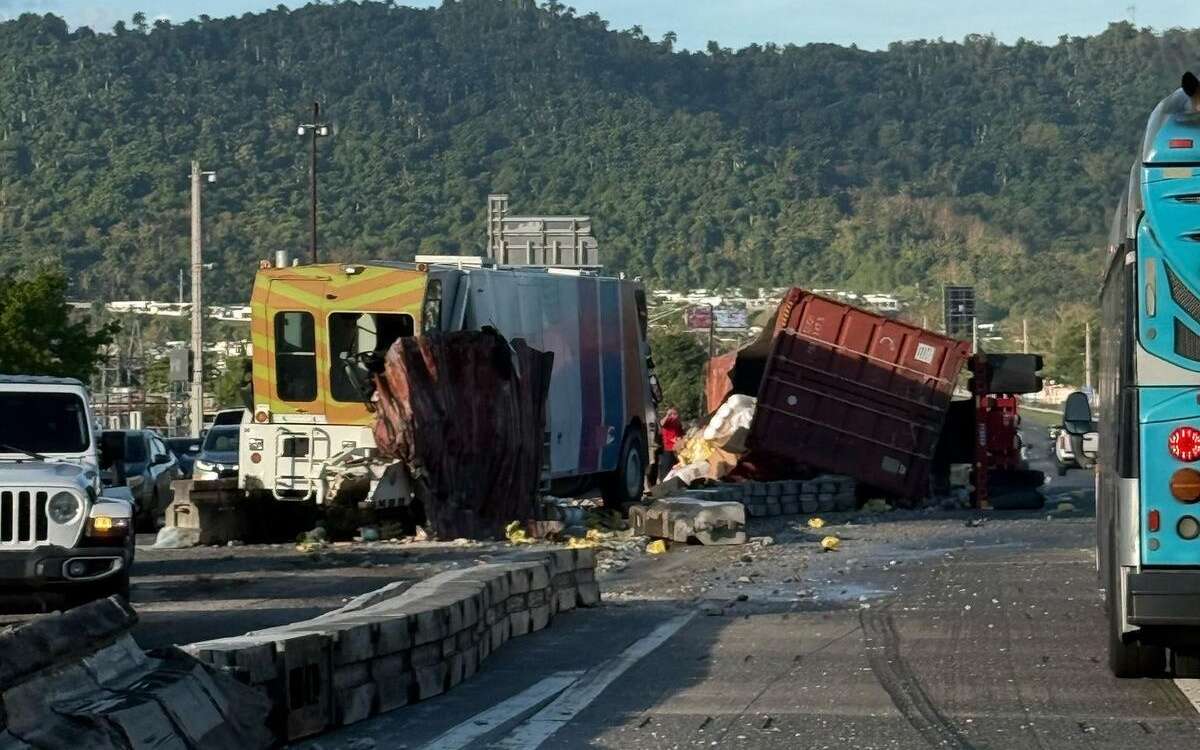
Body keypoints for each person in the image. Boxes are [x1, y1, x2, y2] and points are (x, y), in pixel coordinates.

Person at [658, 407, 683, 481]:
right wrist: (667, 416)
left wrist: (680, 439)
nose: (674, 416)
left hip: (677, 449)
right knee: (666, 467)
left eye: (675, 414)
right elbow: (662, 423)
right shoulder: (668, 421)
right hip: (668, 448)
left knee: (678, 467)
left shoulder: (678, 423)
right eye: (672, 414)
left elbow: (680, 434)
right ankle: (663, 482)